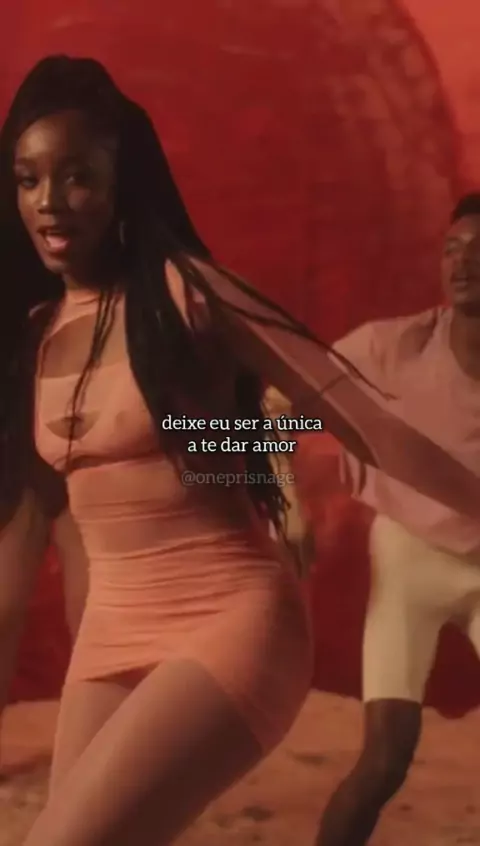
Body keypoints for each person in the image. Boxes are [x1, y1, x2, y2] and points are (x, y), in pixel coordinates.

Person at [1, 55, 480, 846]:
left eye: (77, 176)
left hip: (226, 621)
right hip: (111, 635)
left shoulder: (189, 294)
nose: (49, 200)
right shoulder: (36, 331)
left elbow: (369, 424)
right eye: (28, 180)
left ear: (121, 181)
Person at [315, 192, 480, 846]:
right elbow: (284, 402)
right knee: (385, 758)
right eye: (453, 250)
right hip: (410, 559)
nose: (463, 263)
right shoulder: (392, 348)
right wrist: (281, 492)